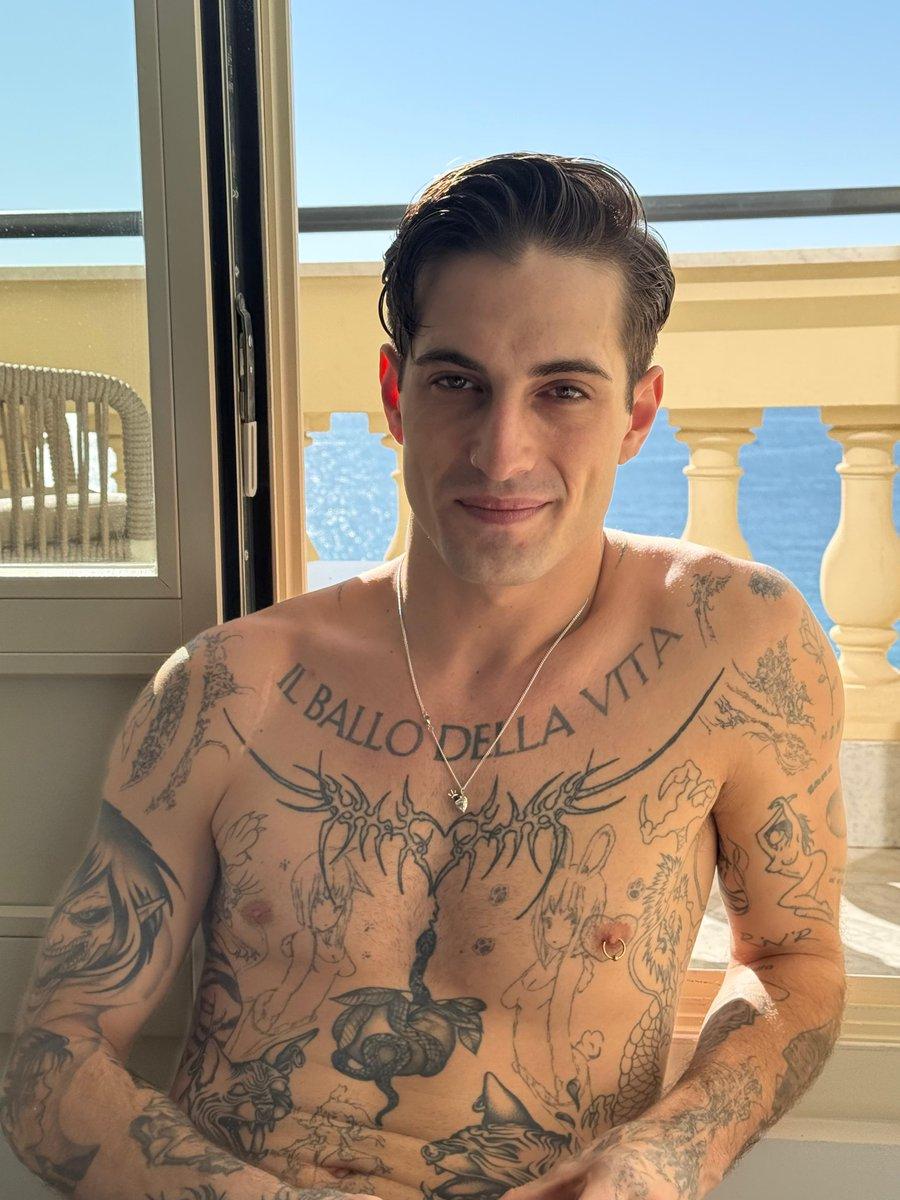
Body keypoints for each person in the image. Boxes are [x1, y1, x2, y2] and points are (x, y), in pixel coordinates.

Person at [0, 152, 847, 1200]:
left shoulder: (733, 648)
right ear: (396, 394)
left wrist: (665, 1157)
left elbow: (794, 964)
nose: (501, 452)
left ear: (638, 414)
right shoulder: (231, 689)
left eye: (563, 391)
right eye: (458, 383)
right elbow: (54, 1058)